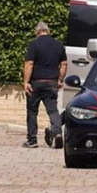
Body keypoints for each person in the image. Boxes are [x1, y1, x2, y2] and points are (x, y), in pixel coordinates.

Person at [23, 21, 66, 149]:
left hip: (36, 83)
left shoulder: (33, 44)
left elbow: (29, 64)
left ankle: (32, 140)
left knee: (32, 111)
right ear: (48, 31)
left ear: (37, 32)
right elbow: (64, 64)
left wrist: (26, 82)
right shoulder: (58, 45)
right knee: (53, 110)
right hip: (51, 82)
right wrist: (60, 80)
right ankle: (57, 133)